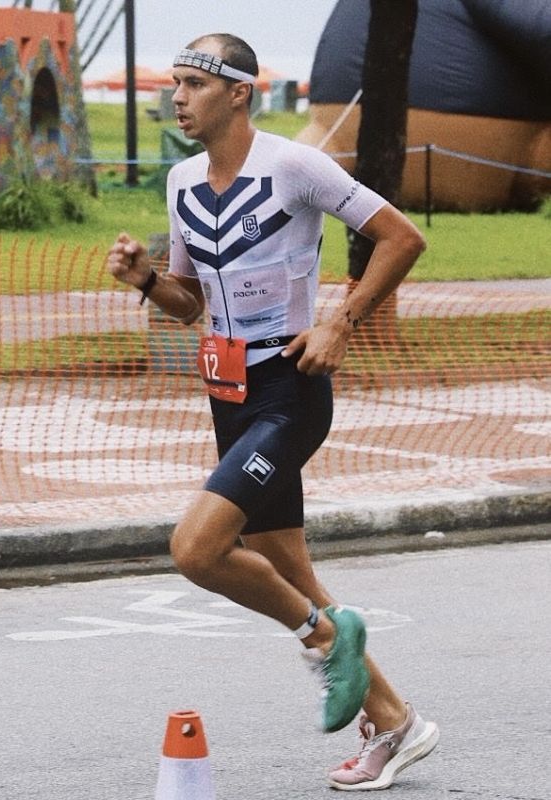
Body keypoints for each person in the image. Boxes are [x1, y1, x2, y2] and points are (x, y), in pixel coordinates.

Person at [107, 33, 439, 791]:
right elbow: (190, 302)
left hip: (288, 392)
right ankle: (397, 725)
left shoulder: (291, 165)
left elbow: (400, 236)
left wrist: (338, 319)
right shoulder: (183, 179)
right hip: (228, 395)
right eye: (175, 84)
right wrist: (146, 278)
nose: (178, 97)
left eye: (193, 83)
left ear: (237, 92)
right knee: (286, 565)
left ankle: (323, 643)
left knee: (195, 550)